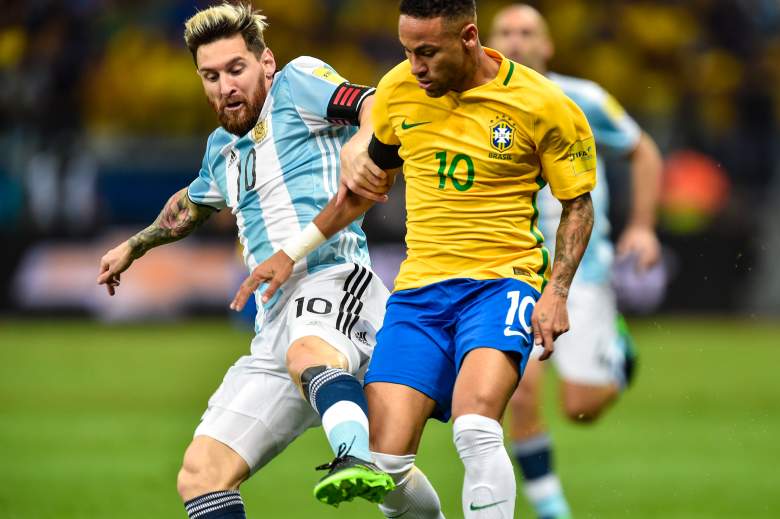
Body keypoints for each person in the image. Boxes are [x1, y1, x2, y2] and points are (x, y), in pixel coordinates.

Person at [231, 1, 598, 517]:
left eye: (427, 52)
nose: (415, 66)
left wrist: (556, 292)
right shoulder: (400, 90)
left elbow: (578, 204)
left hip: (500, 285)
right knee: (383, 468)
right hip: (418, 298)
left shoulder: (544, 104)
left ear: (468, 38)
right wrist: (291, 254)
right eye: (407, 51)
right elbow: (363, 190)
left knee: (475, 428)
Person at [96, 3, 395, 518]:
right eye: (210, 76)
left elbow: (373, 103)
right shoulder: (220, 149)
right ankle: (373, 461)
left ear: (267, 63)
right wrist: (134, 245)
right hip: (273, 321)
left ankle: (353, 456)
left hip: (336, 279)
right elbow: (191, 205)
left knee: (310, 355)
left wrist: (363, 143)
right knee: (201, 473)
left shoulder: (299, 83)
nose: (224, 86)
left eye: (236, 69)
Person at [487, 4, 664, 518]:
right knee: (516, 391)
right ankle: (551, 506)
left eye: (528, 33)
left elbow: (643, 150)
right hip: (515, 269)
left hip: (583, 270)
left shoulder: (582, 98)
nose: (517, 41)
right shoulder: (479, 103)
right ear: (486, 40)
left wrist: (642, 226)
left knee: (581, 407)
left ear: (547, 46)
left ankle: (619, 356)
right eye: (507, 32)